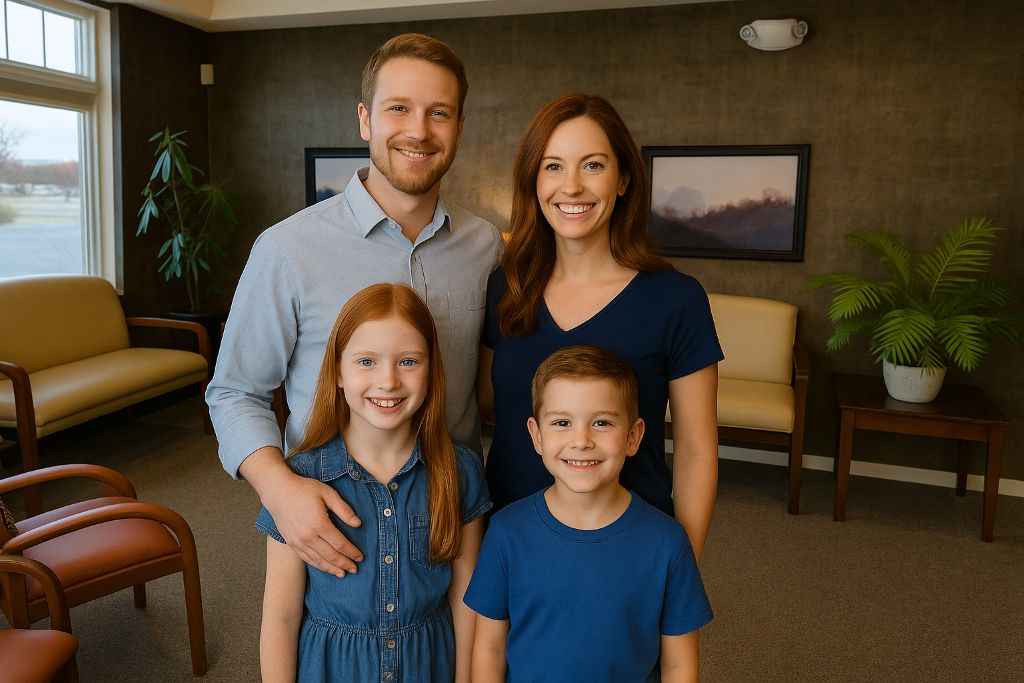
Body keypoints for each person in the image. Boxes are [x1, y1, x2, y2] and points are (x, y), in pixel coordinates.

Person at [208, 33, 502, 578]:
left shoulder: (485, 246)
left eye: (439, 112)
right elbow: (234, 392)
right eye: (399, 109)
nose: (419, 130)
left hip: (452, 523)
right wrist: (280, 492)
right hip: (333, 532)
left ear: (460, 126)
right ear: (365, 120)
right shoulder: (286, 248)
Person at [478, 94, 722, 558]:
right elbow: (484, 407)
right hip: (512, 546)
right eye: (553, 166)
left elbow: (696, 452)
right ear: (533, 181)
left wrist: (680, 569)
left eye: (592, 165)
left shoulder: (676, 299)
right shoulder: (505, 289)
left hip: (630, 551)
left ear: (623, 179)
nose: (571, 187)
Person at [257, 283, 490, 683]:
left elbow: (466, 603)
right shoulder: (299, 479)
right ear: (338, 372)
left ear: (432, 370)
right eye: (366, 361)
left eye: (408, 362)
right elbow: (281, 616)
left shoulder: (460, 471)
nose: (388, 381)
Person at [466, 345, 711, 682]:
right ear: (537, 436)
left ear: (633, 436)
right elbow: (489, 648)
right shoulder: (506, 532)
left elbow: (679, 665)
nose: (581, 440)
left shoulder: (667, 542)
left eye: (601, 422)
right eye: (562, 422)